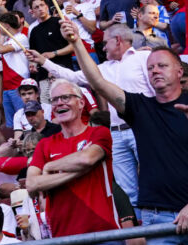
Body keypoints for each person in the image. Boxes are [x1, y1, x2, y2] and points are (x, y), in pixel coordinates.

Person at [64, 20, 188, 245]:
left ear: (179, 72)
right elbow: (99, 83)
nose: (154, 71)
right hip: (157, 219)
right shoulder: (140, 107)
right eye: (151, 67)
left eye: (162, 66)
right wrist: (77, 43)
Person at [30, 21, 152, 209]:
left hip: (143, 127)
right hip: (117, 133)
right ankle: (139, 233)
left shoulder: (144, 58)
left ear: (118, 40)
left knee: (151, 180)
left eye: (105, 42)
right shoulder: (102, 69)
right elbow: (71, 77)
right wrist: (43, 61)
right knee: (128, 191)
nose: (102, 47)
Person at [26, 78, 127, 245]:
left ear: (81, 103)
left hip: (103, 235)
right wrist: (76, 172)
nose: (59, 103)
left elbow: (87, 159)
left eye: (66, 97)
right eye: (55, 100)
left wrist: (50, 167)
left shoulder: (99, 133)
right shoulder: (45, 145)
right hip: (64, 241)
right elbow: (31, 184)